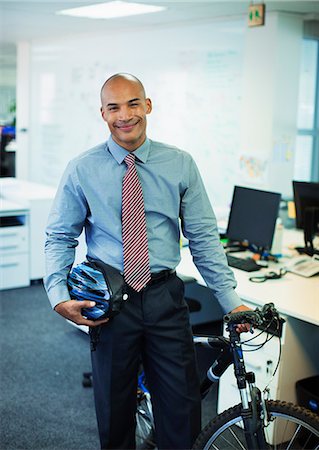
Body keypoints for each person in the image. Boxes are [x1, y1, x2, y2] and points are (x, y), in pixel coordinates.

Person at [44, 73, 250, 450]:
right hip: (109, 301)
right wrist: (58, 295)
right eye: (114, 107)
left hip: (165, 297)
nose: (125, 115)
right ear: (103, 113)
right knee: (114, 408)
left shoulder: (180, 164)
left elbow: (203, 238)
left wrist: (229, 300)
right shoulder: (82, 168)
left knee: (182, 408)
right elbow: (60, 235)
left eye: (133, 103)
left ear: (148, 105)